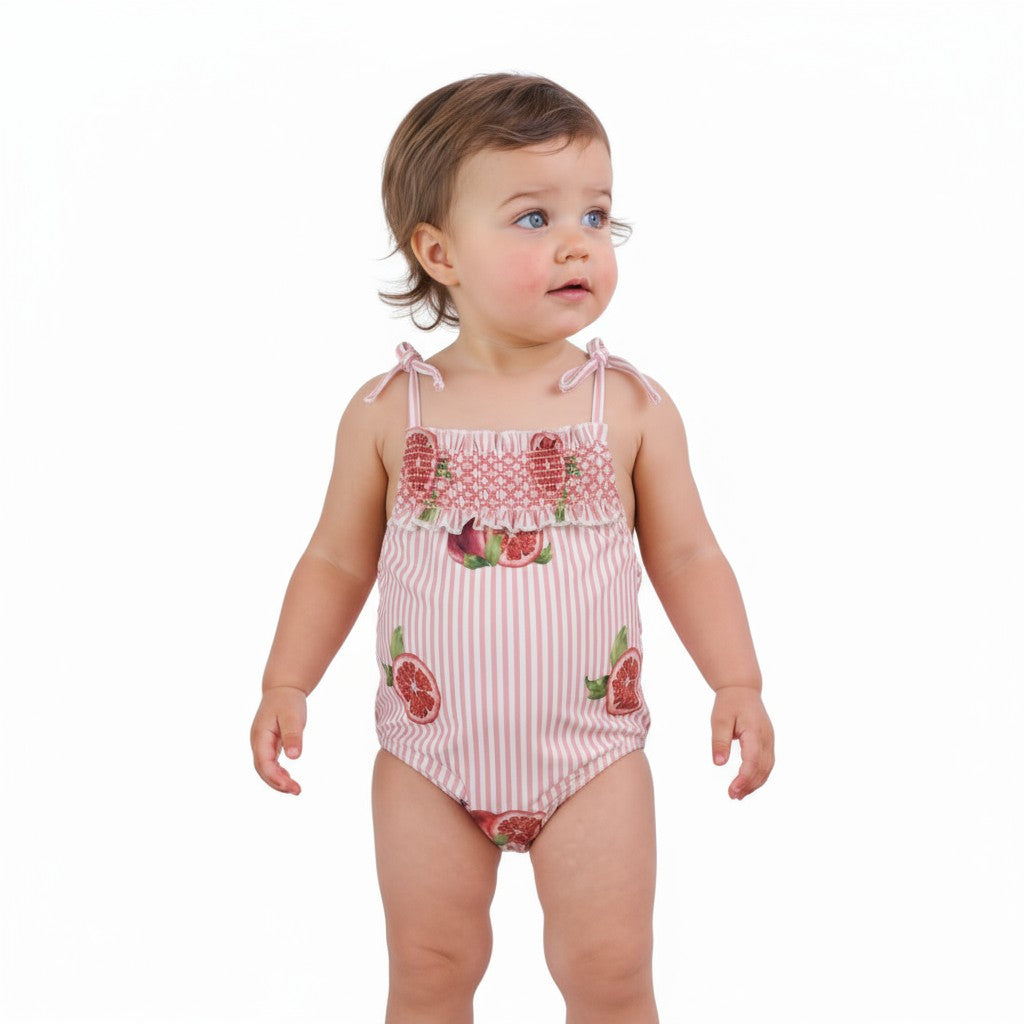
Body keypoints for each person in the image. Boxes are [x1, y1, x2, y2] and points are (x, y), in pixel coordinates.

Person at [250, 72, 775, 1024]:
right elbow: (335, 560)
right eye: (535, 218)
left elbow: (689, 557)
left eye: (596, 215)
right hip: (429, 761)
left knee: (610, 972)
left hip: (592, 758)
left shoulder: (631, 407)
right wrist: (286, 681)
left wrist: (737, 680)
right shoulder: (388, 412)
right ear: (438, 252)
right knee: (430, 969)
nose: (578, 241)